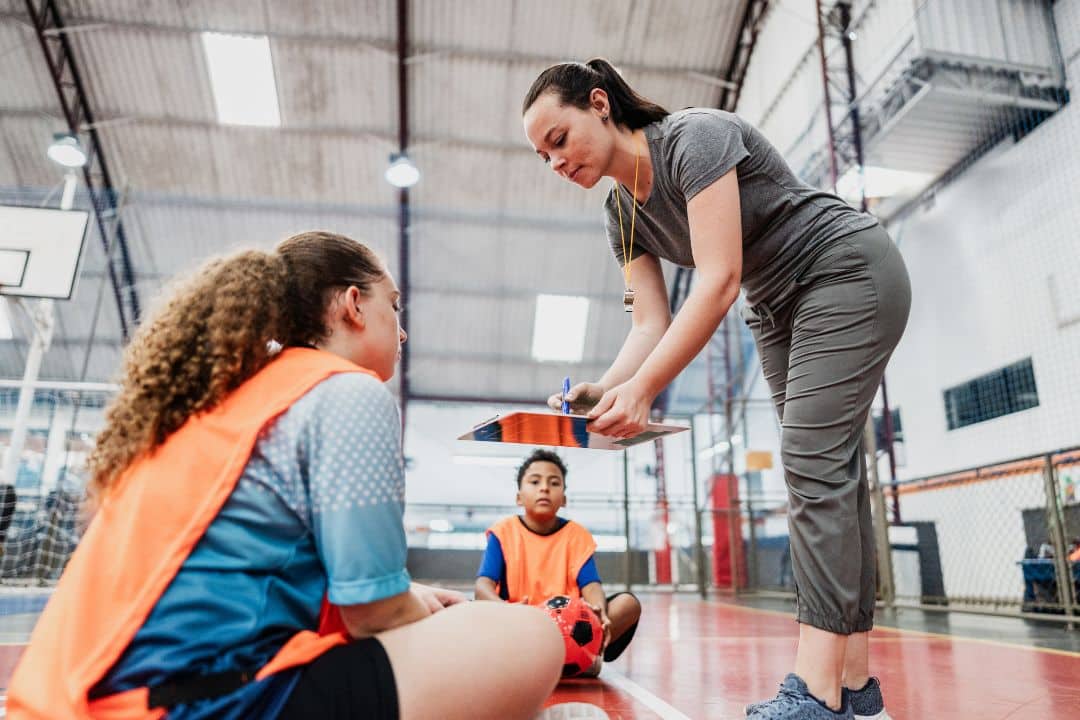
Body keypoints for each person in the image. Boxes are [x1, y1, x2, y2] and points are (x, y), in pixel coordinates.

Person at [7, 232, 564, 720]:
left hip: (80, 698)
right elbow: (375, 615)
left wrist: (413, 595)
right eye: (394, 306)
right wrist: (434, 612)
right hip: (199, 704)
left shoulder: (232, 399)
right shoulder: (347, 390)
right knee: (530, 637)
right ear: (353, 304)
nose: (402, 331)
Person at [522, 59, 910, 720]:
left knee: (813, 466)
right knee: (828, 474)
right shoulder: (619, 211)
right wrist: (606, 390)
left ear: (599, 104)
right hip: (775, 305)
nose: (554, 163)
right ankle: (854, 690)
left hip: (842, 271)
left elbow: (719, 277)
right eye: (541, 156)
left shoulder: (693, 139)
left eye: (559, 139)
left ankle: (815, 696)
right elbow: (649, 322)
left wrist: (644, 390)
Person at [475, 449, 641, 676]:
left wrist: (598, 613)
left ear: (563, 498)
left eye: (554, 483)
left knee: (627, 604)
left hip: (570, 626)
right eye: (534, 482)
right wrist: (504, 610)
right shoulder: (503, 532)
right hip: (521, 625)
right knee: (460, 610)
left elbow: (591, 585)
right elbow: (482, 585)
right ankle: (549, 661)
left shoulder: (576, 534)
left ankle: (577, 657)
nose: (544, 488)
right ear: (519, 496)